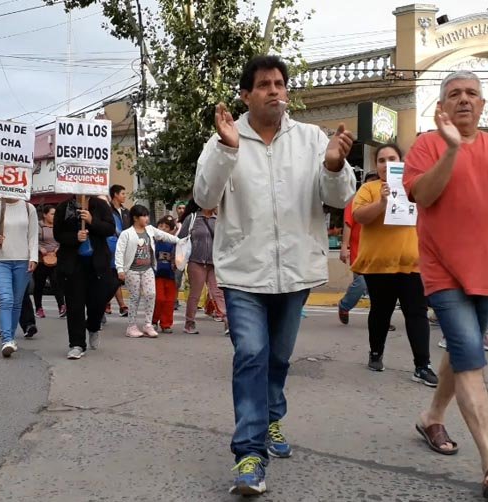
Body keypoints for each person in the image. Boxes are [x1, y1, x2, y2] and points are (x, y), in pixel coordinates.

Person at [195, 55, 356, 495]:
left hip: (296, 273)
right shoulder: (224, 140)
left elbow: (341, 200)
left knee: (279, 359)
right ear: (246, 95)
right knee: (251, 353)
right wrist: (228, 149)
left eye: (279, 83)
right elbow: (204, 196)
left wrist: (336, 165)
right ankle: (249, 455)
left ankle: (271, 417)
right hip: (243, 274)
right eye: (263, 84)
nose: (273, 90)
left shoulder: (310, 139)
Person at [403, 70, 488, 500]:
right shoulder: (427, 144)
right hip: (443, 271)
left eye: (472, 94)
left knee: (462, 353)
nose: (464, 100)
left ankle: (431, 417)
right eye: (454, 94)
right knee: (470, 356)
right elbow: (422, 196)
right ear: (442, 106)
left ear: (482, 105)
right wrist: (450, 150)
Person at [352, 144, 437, 386]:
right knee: (381, 311)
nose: (386, 163)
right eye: (381, 160)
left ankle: (422, 365)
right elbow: (359, 217)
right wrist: (381, 202)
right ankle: (375, 353)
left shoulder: (415, 187)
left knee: (416, 313)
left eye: (392, 158)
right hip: (380, 265)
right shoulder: (369, 188)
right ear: (375, 164)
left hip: (413, 263)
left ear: (402, 161)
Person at [54, 196, 118, 359]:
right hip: (73, 264)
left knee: (98, 300)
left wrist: (91, 220)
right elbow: (58, 234)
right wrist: (75, 237)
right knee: (75, 304)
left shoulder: (101, 205)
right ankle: (76, 344)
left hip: (97, 263)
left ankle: (93, 326)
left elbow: (110, 229)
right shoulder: (63, 206)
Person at [0, 198, 39, 357]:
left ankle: (11, 337)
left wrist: (33, 257)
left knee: (16, 302)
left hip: (23, 261)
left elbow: (33, 236)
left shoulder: (29, 208)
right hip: (0, 261)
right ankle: (6, 339)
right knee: (5, 299)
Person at [115, 206, 180, 338]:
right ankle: (131, 326)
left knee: (151, 294)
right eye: (143, 216)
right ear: (135, 218)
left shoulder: (150, 230)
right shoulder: (126, 233)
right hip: (132, 270)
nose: (146, 219)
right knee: (135, 297)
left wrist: (181, 240)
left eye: (147, 216)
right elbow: (119, 251)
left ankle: (148, 324)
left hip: (148, 269)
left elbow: (165, 236)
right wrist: (120, 269)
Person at [177, 200, 227, 334]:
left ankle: (227, 321)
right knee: (195, 294)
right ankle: (189, 323)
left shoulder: (218, 220)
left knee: (218, 292)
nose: (216, 205)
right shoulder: (192, 218)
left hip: (214, 263)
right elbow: (181, 239)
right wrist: (174, 259)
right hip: (196, 261)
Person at [337, 172, 378, 324]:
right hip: (359, 251)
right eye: (370, 182)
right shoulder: (355, 200)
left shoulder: (384, 200)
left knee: (380, 288)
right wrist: (344, 247)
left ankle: (381, 319)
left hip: (379, 251)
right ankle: (345, 305)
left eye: (376, 181)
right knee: (362, 283)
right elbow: (348, 223)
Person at [34, 204, 66, 319]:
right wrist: (40, 248)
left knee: (57, 283)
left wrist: (58, 248)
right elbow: (32, 239)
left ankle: (62, 306)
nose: (54, 216)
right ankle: (38, 308)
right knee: (39, 285)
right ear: (45, 215)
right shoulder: (38, 226)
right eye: (52, 214)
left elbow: (62, 239)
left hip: (56, 259)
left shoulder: (59, 226)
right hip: (41, 260)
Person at [107, 184, 131, 317]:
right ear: (115, 194)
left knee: (116, 277)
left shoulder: (126, 212)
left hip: (124, 248)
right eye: (123, 193)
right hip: (110, 248)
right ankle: (121, 305)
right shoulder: (107, 210)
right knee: (113, 276)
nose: (125, 196)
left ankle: (108, 302)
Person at [153, 215, 179, 333]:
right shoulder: (152, 241)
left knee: (169, 301)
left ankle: (166, 324)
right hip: (157, 275)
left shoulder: (175, 243)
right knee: (159, 299)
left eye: (167, 227)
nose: (163, 228)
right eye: (161, 226)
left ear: (171, 230)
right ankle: (153, 321)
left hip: (171, 275)